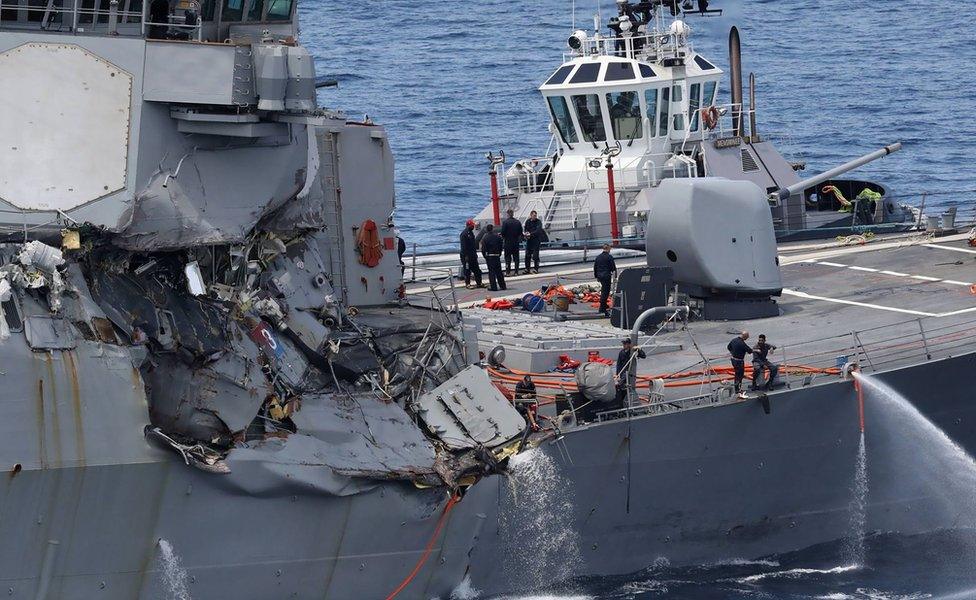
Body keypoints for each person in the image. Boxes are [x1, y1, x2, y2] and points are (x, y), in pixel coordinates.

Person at [614, 338, 646, 409]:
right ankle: (622, 404)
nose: (624, 345)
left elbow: (643, 356)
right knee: (621, 388)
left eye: (625, 344)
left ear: (629, 344)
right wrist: (617, 374)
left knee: (629, 388)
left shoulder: (632, 352)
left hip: (630, 374)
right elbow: (619, 364)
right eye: (623, 344)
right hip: (623, 373)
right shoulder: (621, 352)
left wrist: (639, 349)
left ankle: (629, 403)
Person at [480, 224, 506, 292]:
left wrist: (485, 256)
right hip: (497, 255)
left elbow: (483, 249)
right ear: (492, 229)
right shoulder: (497, 237)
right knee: (499, 272)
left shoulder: (485, 238)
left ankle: (494, 287)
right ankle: (503, 286)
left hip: (490, 256)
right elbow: (501, 246)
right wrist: (499, 253)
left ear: (487, 230)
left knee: (491, 272)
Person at [593, 244, 616, 316]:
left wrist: (596, 276)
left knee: (603, 291)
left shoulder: (598, 257)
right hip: (606, 276)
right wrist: (615, 277)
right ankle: (602, 308)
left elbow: (595, 267)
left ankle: (604, 305)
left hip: (600, 276)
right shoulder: (609, 257)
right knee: (605, 292)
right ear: (608, 249)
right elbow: (613, 268)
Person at [727, 331, 753, 395]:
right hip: (739, 361)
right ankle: (738, 390)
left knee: (737, 375)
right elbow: (749, 351)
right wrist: (756, 350)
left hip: (733, 360)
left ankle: (737, 388)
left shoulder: (734, 340)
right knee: (739, 375)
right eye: (747, 337)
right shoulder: (742, 343)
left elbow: (728, 347)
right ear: (744, 336)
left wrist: (732, 352)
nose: (747, 338)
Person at [459, 220, 483, 289]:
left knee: (477, 270)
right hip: (466, 256)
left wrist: (475, 254)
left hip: (472, 255)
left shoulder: (471, 233)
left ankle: (479, 283)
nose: (473, 227)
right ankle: (468, 284)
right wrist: (465, 256)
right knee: (467, 270)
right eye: (472, 225)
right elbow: (463, 246)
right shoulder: (464, 234)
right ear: (469, 225)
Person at [500, 209, 523, 276]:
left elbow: (503, 232)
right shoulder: (517, 222)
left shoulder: (505, 222)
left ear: (507, 214)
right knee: (516, 258)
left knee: (507, 258)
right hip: (515, 242)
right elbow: (520, 232)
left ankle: (508, 272)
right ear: (513, 214)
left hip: (508, 243)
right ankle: (516, 272)